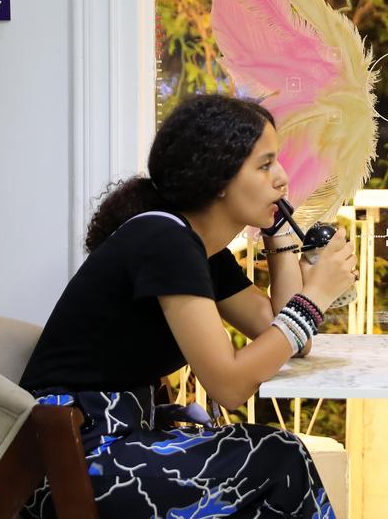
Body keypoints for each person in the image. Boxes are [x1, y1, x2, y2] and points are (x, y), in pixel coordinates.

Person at [18, 93, 357, 519]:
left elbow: (279, 329)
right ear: (218, 177)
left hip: (115, 441)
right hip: (71, 458)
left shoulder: (197, 249)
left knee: (279, 457)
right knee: (279, 460)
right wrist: (317, 297)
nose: (283, 178)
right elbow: (230, 386)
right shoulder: (165, 241)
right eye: (266, 164)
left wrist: (280, 235)